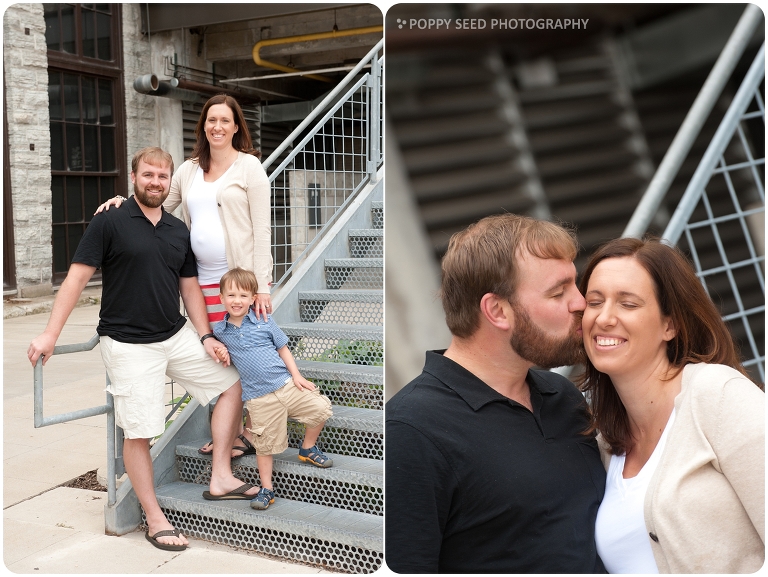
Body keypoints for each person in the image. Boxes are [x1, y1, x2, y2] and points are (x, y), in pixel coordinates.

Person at [28, 147, 260, 552]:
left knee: (232, 382)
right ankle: (154, 518)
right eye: (148, 175)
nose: (155, 182)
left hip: (174, 335)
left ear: (170, 181)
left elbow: (188, 288)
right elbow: (76, 280)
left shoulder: (176, 230)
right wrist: (50, 334)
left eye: (162, 176)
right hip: (128, 343)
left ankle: (221, 475)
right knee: (141, 430)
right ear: (134, 177)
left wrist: (205, 336)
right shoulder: (109, 222)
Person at [385, 214, 606, 573]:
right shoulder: (411, 431)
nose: (580, 302)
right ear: (497, 311)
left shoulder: (562, 396)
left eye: (575, 285)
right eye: (558, 292)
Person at [97, 93, 272, 457]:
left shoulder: (249, 167)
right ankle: (231, 433)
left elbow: (263, 229)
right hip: (200, 282)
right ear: (203, 125)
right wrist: (120, 203)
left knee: (250, 356)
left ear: (236, 126)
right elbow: (156, 200)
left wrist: (262, 285)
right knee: (222, 356)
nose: (217, 127)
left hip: (238, 285)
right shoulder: (190, 169)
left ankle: (251, 432)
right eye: (211, 120)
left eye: (225, 120)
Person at [579, 237, 764, 574]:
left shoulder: (718, 395)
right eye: (594, 302)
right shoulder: (605, 442)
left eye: (628, 304)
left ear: (670, 324)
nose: (604, 318)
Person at [207, 267, 334, 510]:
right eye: (231, 295)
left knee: (320, 407)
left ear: (253, 299)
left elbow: (283, 347)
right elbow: (223, 357)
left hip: (285, 384)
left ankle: (307, 447)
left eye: (243, 296)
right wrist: (221, 352)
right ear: (221, 298)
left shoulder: (264, 320)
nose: (237, 301)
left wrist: (297, 376)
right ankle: (267, 489)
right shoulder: (220, 331)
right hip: (259, 397)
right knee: (264, 445)